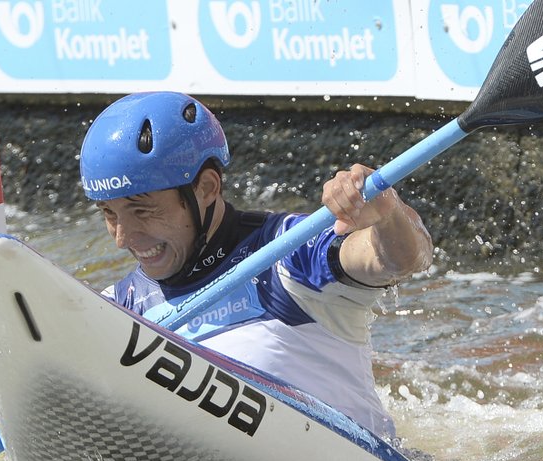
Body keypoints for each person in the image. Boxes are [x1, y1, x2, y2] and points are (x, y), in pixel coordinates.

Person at [79, 91, 433, 438]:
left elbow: (402, 259)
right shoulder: (121, 307)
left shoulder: (287, 251)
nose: (122, 238)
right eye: (109, 214)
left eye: (142, 210)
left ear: (206, 188)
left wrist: (387, 212)